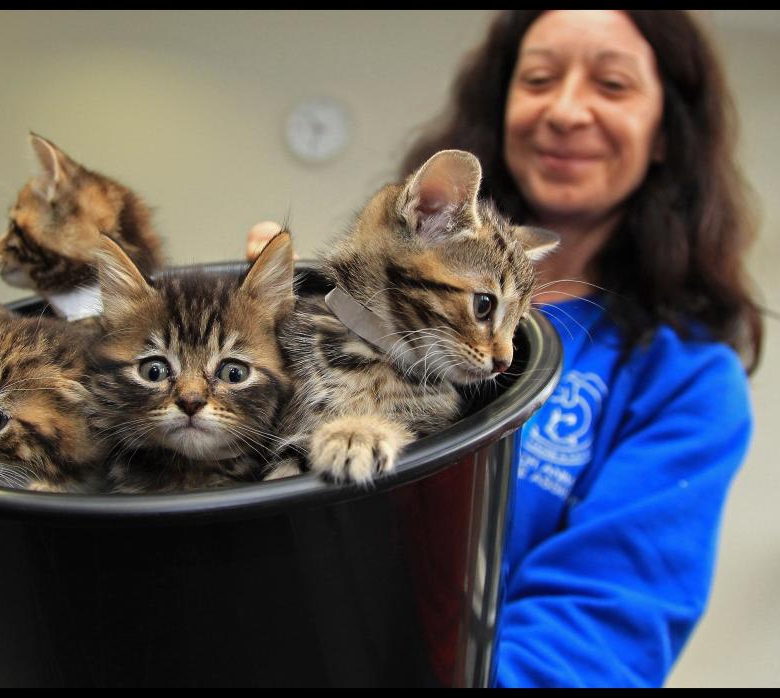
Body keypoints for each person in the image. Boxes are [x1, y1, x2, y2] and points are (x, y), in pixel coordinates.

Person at [248, 10, 762, 687]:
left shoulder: (684, 380)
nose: (567, 109)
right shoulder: (384, 295)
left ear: (665, 131)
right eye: (540, 77)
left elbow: (598, 635)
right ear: (503, 103)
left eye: (612, 84)